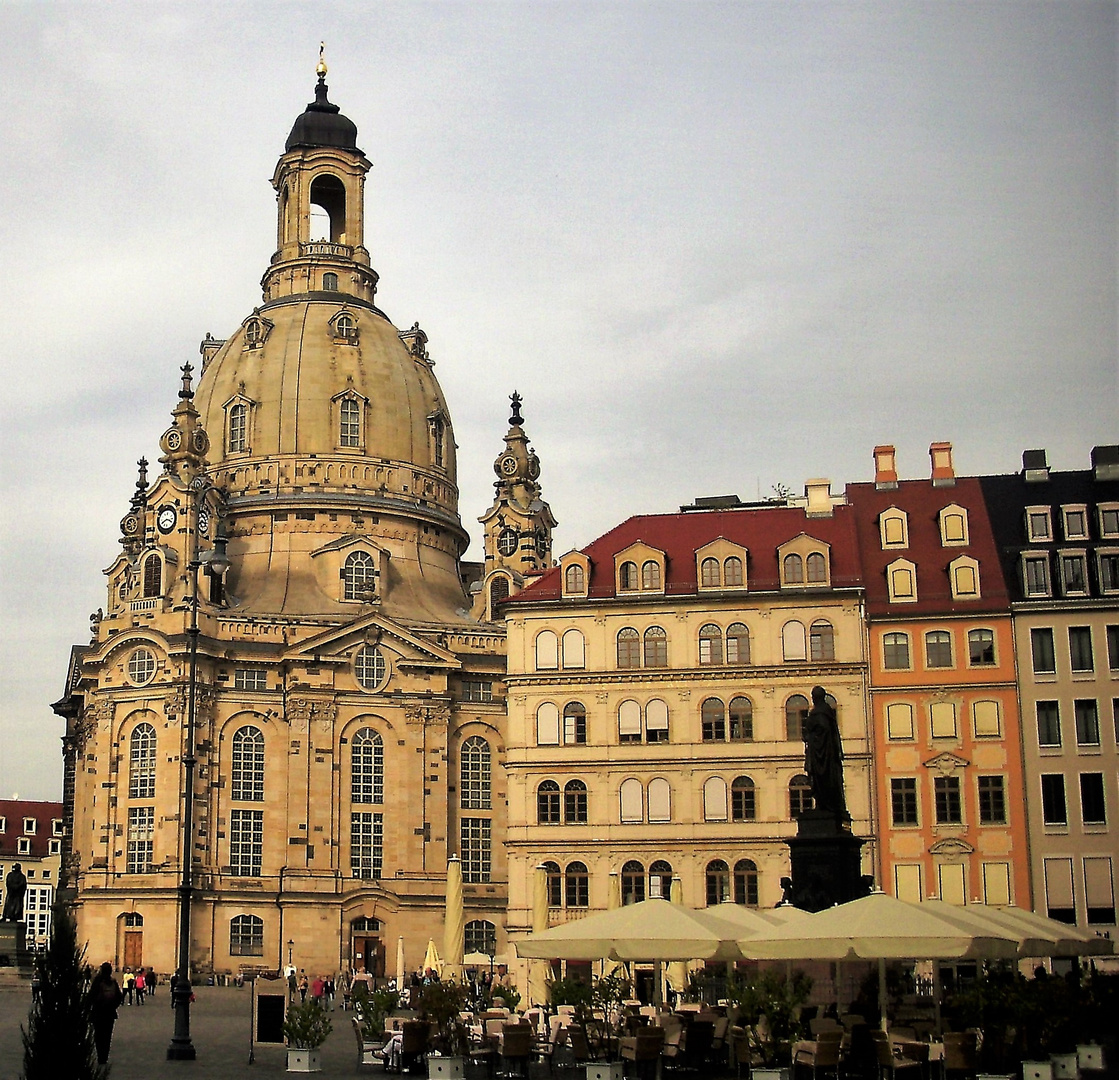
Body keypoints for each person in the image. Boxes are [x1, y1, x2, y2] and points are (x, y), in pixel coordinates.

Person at [803, 685, 847, 816]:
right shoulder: (828, 713)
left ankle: (824, 804)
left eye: (813, 697)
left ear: (816, 698)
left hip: (820, 754)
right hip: (827, 754)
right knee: (829, 779)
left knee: (821, 779)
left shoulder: (819, 713)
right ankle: (826, 804)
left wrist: (809, 735)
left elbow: (821, 729)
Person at [89, 963, 124, 1065]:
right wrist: (112, 1006)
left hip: (98, 1013)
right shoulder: (113, 982)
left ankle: (101, 1056)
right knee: (107, 1036)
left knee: (98, 1035)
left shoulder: (97, 981)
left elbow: (91, 996)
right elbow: (119, 997)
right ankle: (104, 1056)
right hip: (110, 1013)